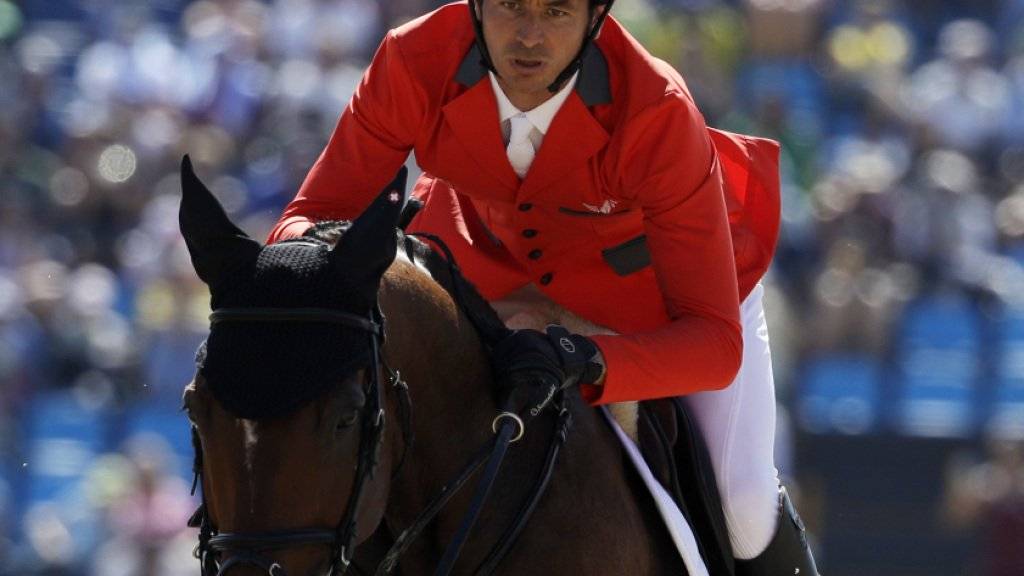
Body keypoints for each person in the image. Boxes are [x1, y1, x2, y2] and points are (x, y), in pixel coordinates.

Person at [268, 0, 818, 572]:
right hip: (481, 266)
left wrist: (589, 359)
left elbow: (713, 344)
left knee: (745, 507)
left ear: (595, 17)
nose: (529, 37)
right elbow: (305, 220)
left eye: (556, 12)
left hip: (651, 293)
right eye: (509, 6)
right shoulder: (414, 58)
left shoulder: (653, 109)